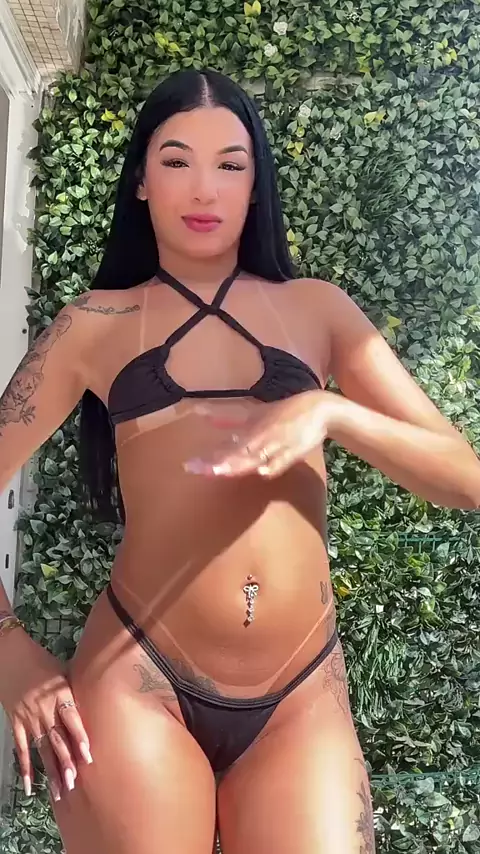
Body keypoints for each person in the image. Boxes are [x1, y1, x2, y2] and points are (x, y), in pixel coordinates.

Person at [0, 68, 479, 854]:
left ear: (256, 185)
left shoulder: (319, 310)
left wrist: (330, 411)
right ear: (142, 181)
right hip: (138, 678)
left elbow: (465, 479)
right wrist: (8, 652)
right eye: (177, 160)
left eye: (230, 164)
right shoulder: (93, 325)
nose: (204, 188)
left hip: (302, 690)